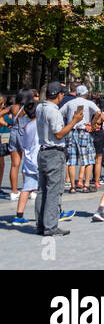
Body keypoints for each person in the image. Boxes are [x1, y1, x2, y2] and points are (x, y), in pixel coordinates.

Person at [36, 82, 80, 237]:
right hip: (54, 152)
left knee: (42, 190)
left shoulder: (40, 107)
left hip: (42, 151)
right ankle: (50, 226)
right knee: (54, 190)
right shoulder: (53, 112)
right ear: (59, 95)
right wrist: (74, 121)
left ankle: (41, 224)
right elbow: (59, 134)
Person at [60, 84, 99, 193]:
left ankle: (72, 186)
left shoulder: (69, 103)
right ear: (85, 93)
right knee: (88, 159)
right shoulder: (89, 103)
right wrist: (92, 123)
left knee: (71, 161)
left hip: (71, 131)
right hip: (84, 132)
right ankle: (86, 185)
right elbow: (99, 113)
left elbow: (60, 113)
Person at [9, 91, 39, 226]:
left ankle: (14, 191)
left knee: (15, 164)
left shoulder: (13, 107)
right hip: (25, 136)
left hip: (14, 132)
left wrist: (6, 124)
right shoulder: (30, 111)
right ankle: (35, 191)